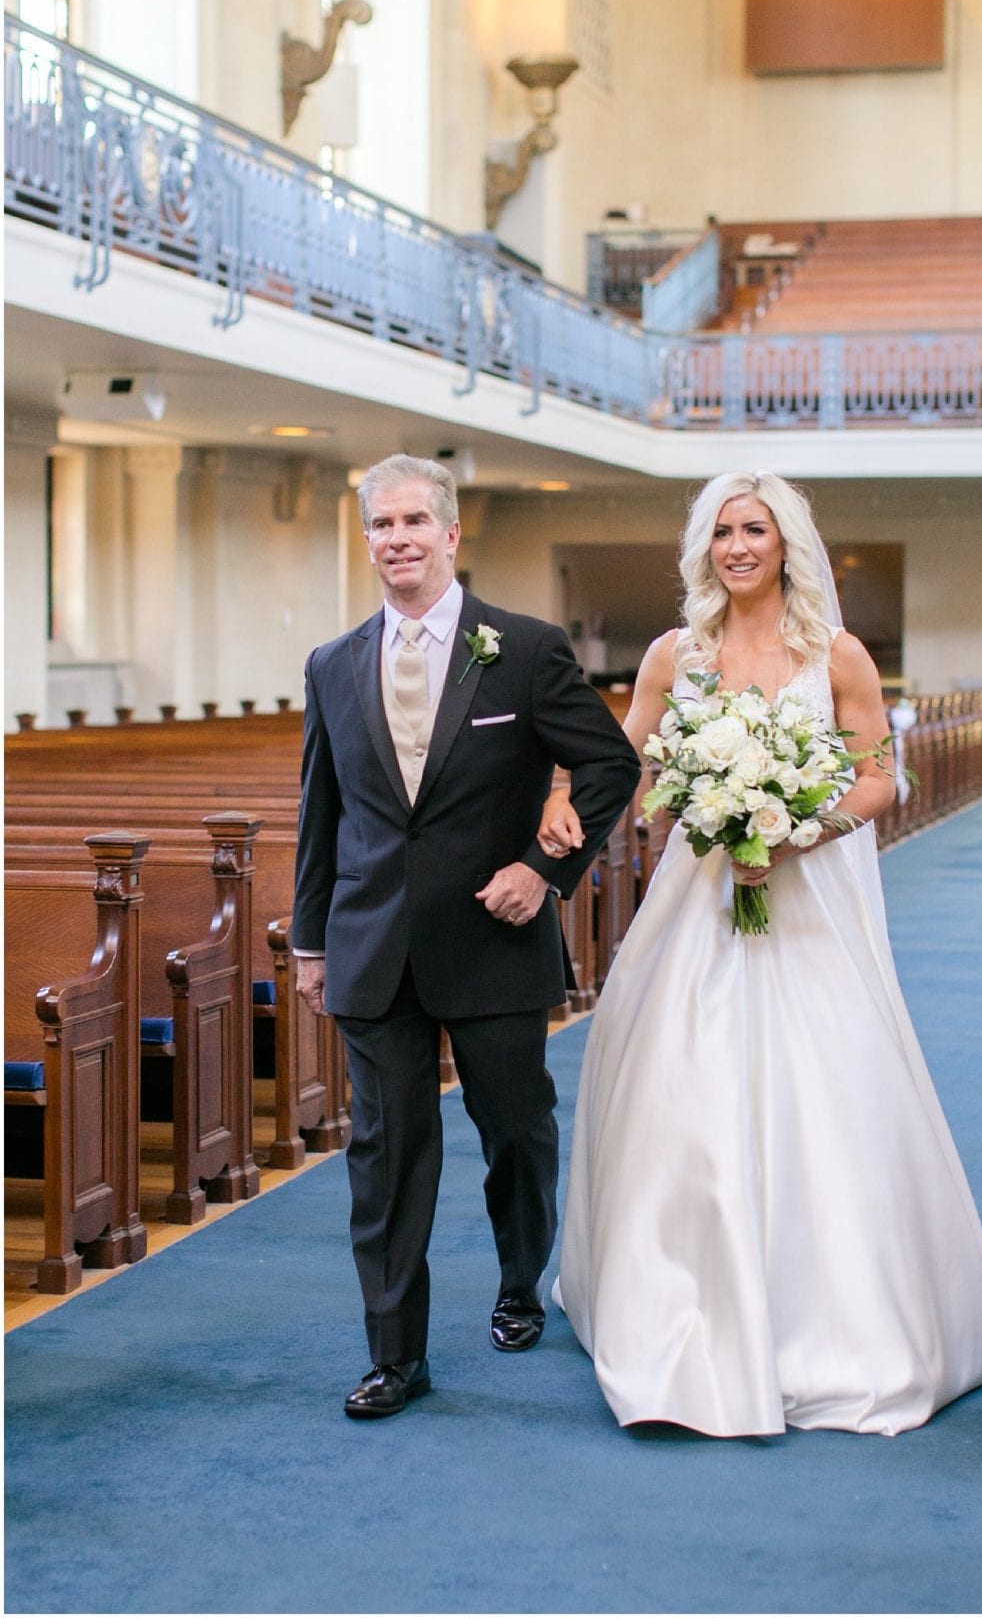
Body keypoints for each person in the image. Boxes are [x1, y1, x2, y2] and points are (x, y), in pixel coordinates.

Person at [540, 471, 982, 1438]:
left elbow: (879, 779)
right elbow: (623, 757)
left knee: (830, 1084)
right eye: (722, 532)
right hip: (697, 905)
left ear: (786, 544)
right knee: (678, 1085)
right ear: (704, 547)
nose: (739, 546)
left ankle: (835, 1306)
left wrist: (795, 833)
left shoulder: (836, 654)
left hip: (806, 897)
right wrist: (559, 797)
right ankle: (680, 1297)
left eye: (756, 530)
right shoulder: (673, 653)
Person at [293, 453, 641, 1420]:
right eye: (379, 525)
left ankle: (521, 1285)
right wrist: (311, 943)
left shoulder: (520, 648)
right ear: (366, 540)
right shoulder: (331, 664)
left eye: (414, 522)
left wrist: (546, 869)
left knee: (516, 1136)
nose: (396, 539)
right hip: (373, 948)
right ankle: (395, 1359)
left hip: (495, 940)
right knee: (387, 1157)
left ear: (451, 534)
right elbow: (321, 815)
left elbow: (609, 766)